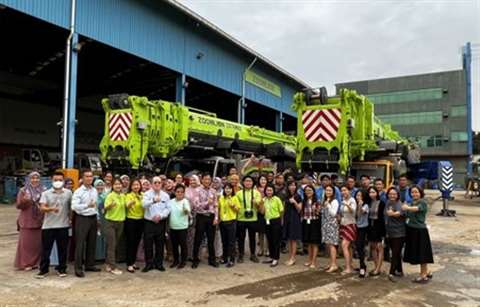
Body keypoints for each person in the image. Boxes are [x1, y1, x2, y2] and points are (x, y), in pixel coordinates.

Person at [36, 172, 72, 279]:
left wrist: (70, 219)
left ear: (63, 181)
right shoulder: (46, 193)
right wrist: (51, 209)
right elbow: (42, 208)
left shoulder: (68, 193)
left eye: (60, 180)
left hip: (63, 225)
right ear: (52, 180)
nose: (58, 182)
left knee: (63, 249)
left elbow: (71, 207)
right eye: (56, 180)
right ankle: (43, 270)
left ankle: (62, 269)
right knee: (46, 249)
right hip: (48, 226)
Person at [402, 186, 434, 283]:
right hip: (411, 230)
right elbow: (407, 214)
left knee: (422, 254)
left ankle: (423, 275)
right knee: (418, 253)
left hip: (420, 231)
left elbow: (416, 209)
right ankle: (426, 271)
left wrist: (407, 207)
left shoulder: (422, 202)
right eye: (412, 192)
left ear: (420, 193)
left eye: (416, 192)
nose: (414, 194)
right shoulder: (411, 202)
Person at [14, 171, 45, 271]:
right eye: (32, 178)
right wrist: (25, 200)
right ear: (28, 179)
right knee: (26, 244)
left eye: (37, 178)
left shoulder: (43, 190)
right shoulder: (23, 190)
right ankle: (25, 263)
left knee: (37, 244)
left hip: (39, 220)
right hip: (27, 220)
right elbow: (18, 206)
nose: (35, 180)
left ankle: (36, 263)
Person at [72, 170, 100, 278]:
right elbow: (74, 207)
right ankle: (78, 268)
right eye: (87, 176)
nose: (89, 178)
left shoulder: (94, 190)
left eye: (91, 176)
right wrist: (86, 206)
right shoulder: (78, 191)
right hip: (82, 218)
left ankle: (90, 265)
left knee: (92, 242)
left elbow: (95, 205)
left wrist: (97, 218)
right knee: (80, 244)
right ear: (82, 178)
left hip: (92, 218)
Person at [142, 176, 171, 272]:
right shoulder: (146, 194)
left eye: (159, 182)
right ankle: (149, 264)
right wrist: (153, 200)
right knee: (148, 244)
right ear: (151, 184)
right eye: (155, 182)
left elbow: (168, 209)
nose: (157, 184)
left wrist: (161, 216)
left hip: (160, 222)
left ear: (161, 184)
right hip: (149, 222)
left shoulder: (166, 195)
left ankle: (159, 264)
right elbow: (143, 204)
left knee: (160, 244)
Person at [192, 174, 219, 268]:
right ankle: (195, 259)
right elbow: (196, 205)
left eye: (209, 179)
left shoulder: (213, 191)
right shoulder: (197, 190)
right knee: (198, 239)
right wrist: (207, 202)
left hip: (211, 217)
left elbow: (216, 205)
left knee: (211, 240)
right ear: (202, 180)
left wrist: (216, 217)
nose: (207, 181)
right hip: (201, 217)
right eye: (205, 179)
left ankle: (212, 260)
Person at [236, 176, 261, 263]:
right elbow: (236, 205)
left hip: (253, 219)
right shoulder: (238, 193)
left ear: (252, 183)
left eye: (250, 181)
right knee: (241, 238)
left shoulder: (256, 193)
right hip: (241, 219)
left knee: (252, 238)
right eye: (246, 181)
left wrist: (256, 203)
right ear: (243, 182)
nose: (248, 183)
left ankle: (253, 254)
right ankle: (241, 255)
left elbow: (259, 206)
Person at [103, 178, 126, 275]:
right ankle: (113, 267)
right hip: (110, 223)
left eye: (119, 184)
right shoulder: (110, 196)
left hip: (120, 222)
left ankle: (108, 263)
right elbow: (105, 208)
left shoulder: (123, 195)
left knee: (114, 244)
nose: (118, 186)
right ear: (112, 186)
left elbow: (126, 206)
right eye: (116, 184)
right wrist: (110, 206)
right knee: (112, 245)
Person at [385, 187, 406, 282]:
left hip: (399, 233)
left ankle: (391, 272)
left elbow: (399, 213)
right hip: (390, 232)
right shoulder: (388, 203)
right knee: (396, 252)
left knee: (394, 253)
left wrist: (392, 214)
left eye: (394, 194)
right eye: (390, 194)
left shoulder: (399, 204)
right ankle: (400, 271)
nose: (392, 195)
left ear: (397, 195)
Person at [260, 184, 284, 267]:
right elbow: (262, 212)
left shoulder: (277, 199)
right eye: (267, 190)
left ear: (273, 191)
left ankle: (276, 258)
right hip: (267, 221)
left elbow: (281, 211)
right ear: (265, 191)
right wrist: (262, 204)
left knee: (275, 240)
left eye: (270, 190)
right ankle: (271, 257)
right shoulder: (264, 199)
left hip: (276, 221)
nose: (269, 192)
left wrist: (281, 222)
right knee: (269, 240)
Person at [168, 184, 191, 269]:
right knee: (174, 245)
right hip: (173, 227)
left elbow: (187, 211)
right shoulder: (171, 201)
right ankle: (176, 260)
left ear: (184, 193)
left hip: (182, 227)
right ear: (175, 192)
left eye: (181, 192)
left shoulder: (185, 201)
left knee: (183, 245)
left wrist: (186, 211)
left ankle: (183, 261)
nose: (179, 193)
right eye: (178, 192)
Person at [218, 183, 240, 267]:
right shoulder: (221, 198)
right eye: (226, 188)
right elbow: (219, 208)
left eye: (229, 189)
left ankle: (232, 259)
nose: (228, 190)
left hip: (231, 222)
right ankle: (224, 258)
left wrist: (233, 206)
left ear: (232, 190)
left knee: (231, 242)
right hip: (222, 222)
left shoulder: (234, 198)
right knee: (224, 242)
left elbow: (238, 210)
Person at [125, 179, 144, 273]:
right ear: (131, 187)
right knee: (130, 242)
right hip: (130, 220)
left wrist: (141, 200)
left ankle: (133, 262)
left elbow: (145, 206)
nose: (136, 186)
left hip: (140, 220)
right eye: (134, 185)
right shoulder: (128, 195)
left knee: (137, 242)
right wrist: (131, 202)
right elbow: (127, 206)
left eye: (137, 185)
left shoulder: (142, 195)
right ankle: (129, 264)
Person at [301, 185, 322, 269]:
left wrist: (316, 210)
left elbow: (319, 213)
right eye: (306, 191)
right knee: (309, 242)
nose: (308, 192)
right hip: (306, 221)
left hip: (315, 222)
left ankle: (313, 261)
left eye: (310, 190)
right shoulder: (304, 201)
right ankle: (309, 260)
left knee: (314, 242)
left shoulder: (317, 201)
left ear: (313, 191)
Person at [367, 187, 386, 276]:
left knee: (379, 248)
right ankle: (376, 267)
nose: (371, 194)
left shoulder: (381, 203)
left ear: (377, 193)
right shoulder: (369, 202)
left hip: (379, 227)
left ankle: (378, 268)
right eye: (370, 192)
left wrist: (383, 232)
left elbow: (382, 218)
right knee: (373, 247)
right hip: (370, 227)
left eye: (373, 192)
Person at [283, 181, 303, 266]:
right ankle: (290, 257)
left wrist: (294, 202)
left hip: (294, 219)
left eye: (294, 185)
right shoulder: (286, 196)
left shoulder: (298, 196)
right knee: (289, 239)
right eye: (290, 185)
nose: (292, 187)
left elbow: (299, 209)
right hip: (287, 218)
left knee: (294, 239)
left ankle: (293, 258)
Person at [321, 184, 340, 273]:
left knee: (332, 245)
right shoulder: (325, 200)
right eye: (327, 190)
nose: (328, 192)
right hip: (325, 224)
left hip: (332, 225)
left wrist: (328, 205)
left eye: (330, 190)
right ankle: (331, 263)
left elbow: (333, 213)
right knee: (328, 244)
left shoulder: (334, 201)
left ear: (333, 192)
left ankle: (334, 264)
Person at [339, 186, 357, 274]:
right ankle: (350, 264)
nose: (343, 192)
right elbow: (341, 213)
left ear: (349, 191)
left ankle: (348, 268)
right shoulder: (342, 199)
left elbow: (353, 211)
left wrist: (346, 204)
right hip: (343, 224)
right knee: (348, 247)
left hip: (350, 224)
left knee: (344, 245)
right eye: (342, 190)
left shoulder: (352, 200)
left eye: (345, 190)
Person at [185, 175, 201, 260]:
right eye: (191, 180)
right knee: (189, 235)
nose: (192, 182)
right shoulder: (186, 190)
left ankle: (197, 254)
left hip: (199, 215)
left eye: (194, 180)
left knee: (198, 235)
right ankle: (188, 254)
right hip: (188, 215)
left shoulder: (200, 189)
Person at [354, 189, 369, 278]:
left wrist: (359, 205)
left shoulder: (366, 205)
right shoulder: (355, 204)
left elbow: (359, 214)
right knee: (357, 247)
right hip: (356, 227)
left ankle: (363, 267)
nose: (358, 197)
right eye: (357, 195)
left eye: (360, 195)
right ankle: (361, 265)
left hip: (363, 228)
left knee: (360, 246)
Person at [94, 179, 107, 261]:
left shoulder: (106, 195)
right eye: (98, 185)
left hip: (104, 218)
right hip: (95, 217)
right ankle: (95, 256)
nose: (100, 187)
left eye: (101, 185)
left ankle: (102, 256)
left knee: (103, 236)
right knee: (95, 237)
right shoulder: (93, 195)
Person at [256, 174, 268, 257]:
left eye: (264, 179)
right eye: (261, 179)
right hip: (259, 212)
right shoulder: (256, 189)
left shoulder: (269, 188)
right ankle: (261, 249)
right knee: (260, 232)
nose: (263, 181)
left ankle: (267, 249)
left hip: (268, 213)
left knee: (268, 232)